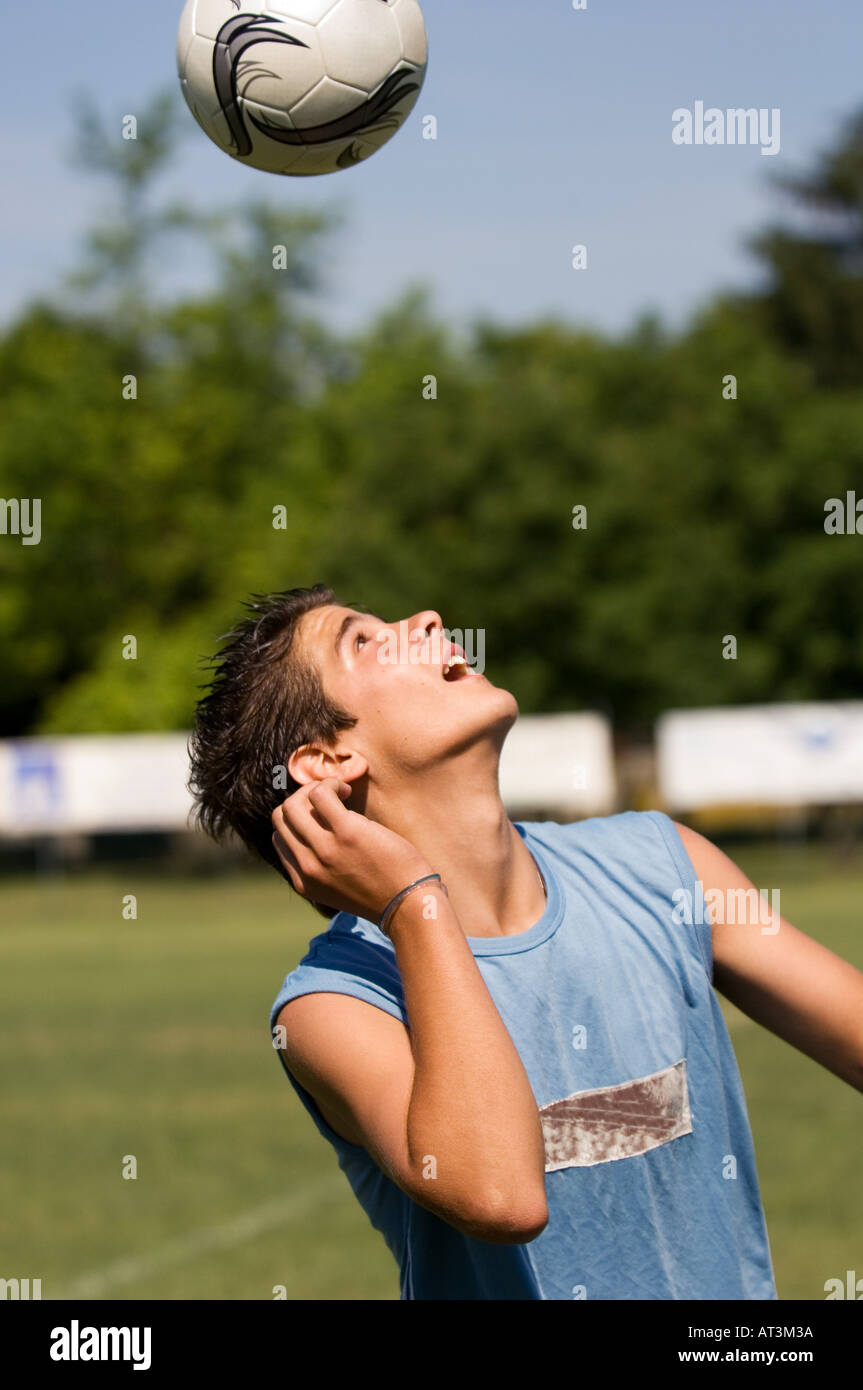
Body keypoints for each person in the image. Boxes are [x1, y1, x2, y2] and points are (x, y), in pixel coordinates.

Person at [188, 583, 863, 1300]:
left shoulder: (665, 864)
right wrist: (414, 905)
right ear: (325, 760)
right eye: (361, 640)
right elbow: (502, 1198)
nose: (425, 620)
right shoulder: (333, 1006)